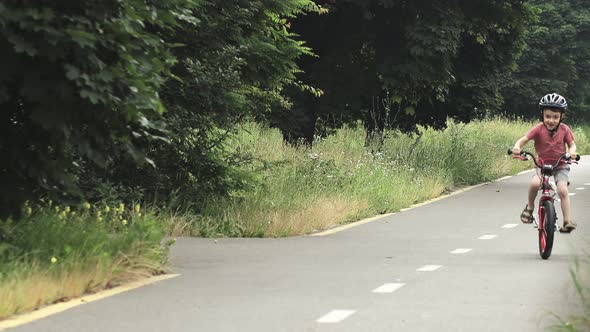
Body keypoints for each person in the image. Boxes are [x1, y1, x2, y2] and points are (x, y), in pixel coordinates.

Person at [511, 93, 578, 233]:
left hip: (560, 165)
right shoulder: (538, 129)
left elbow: (572, 145)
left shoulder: (565, 129)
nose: (551, 120)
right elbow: (523, 140)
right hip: (541, 165)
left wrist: (572, 152)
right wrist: (517, 148)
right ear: (542, 115)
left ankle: (567, 221)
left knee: (562, 190)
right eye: (548, 116)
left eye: (555, 117)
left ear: (561, 117)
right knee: (535, 183)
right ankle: (529, 208)